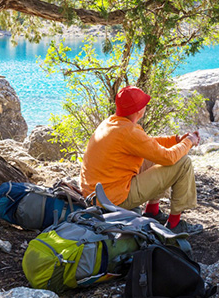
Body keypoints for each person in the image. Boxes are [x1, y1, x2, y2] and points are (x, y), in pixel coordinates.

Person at [80, 85, 203, 235]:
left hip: (96, 195)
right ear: (139, 110)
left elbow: (147, 143)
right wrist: (189, 141)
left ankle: (152, 211)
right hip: (113, 200)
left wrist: (176, 140)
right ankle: (175, 224)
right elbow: (168, 158)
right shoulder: (129, 131)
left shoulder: (111, 123)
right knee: (182, 163)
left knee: (153, 156)